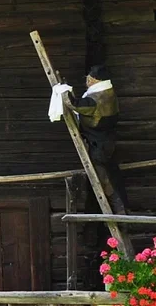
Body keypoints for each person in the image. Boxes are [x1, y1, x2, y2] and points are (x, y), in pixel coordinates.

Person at [50, 63, 127, 214]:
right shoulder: (109, 92)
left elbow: (74, 104)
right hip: (108, 140)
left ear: (93, 80)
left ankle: (119, 213)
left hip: (98, 144)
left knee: (104, 180)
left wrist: (63, 90)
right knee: (113, 176)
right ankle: (122, 209)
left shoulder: (96, 98)